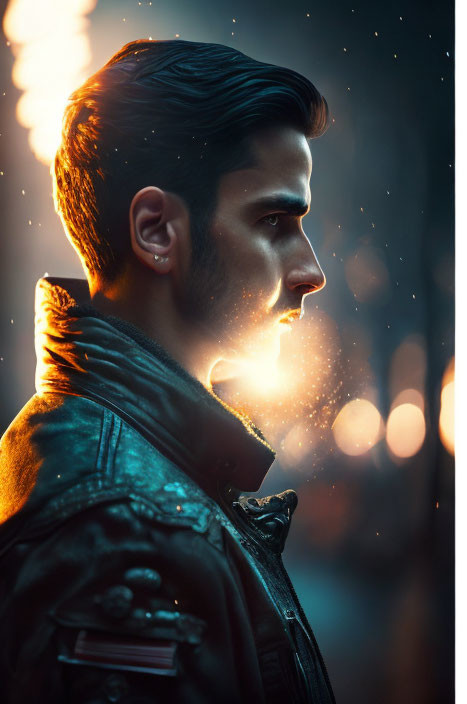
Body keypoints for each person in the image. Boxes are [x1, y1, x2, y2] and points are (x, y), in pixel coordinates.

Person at [0, 39, 335, 703]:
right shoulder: (129, 529)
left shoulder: (119, 477)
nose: (311, 271)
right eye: (273, 221)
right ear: (157, 231)